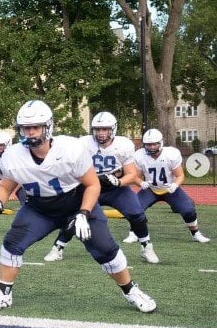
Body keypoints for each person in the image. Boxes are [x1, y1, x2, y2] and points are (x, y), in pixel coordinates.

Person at [0, 101, 155, 313]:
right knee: (11, 243)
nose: (30, 132)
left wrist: (83, 212)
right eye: (26, 127)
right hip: (39, 208)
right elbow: (7, 185)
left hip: (76, 203)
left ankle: (130, 290)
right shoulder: (13, 155)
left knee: (106, 249)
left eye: (36, 126)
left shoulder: (70, 149)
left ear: (48, 126)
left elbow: (92, 184)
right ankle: (4, 293)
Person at [43, 112, 159, 264]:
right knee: (75, 217)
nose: (101, 133)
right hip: (89, 187)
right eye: (97, 129)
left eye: (105, 129)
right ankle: (58, 247)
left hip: (115, 189)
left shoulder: (123, 145)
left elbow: (131, 174)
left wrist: (118, 182)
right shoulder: (84, 143)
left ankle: (146, 246)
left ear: (113, 129)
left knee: (137, 214)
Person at [132, 128, 210, 243]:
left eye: (154, 144)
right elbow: (136, 177)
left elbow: (180, 175)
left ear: (161, 143)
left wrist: (175, 185)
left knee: (188, 210)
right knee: (134, 209)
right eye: (148, 144)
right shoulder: (139, 155)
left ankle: (195, 233)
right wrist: (141, 183)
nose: (152, 147)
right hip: (150, 189)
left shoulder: (171, 154)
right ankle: (134, 233)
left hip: (170, 189)